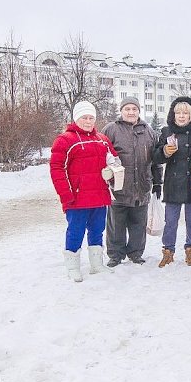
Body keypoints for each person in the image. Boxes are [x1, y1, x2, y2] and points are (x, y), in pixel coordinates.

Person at [50, 100, 117, 282]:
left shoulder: (102, 140)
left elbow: (114, 161)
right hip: (77, 197)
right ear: (76, 119)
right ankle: (73, 267)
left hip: (99, 195)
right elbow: (57, 168)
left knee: (97, 230)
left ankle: (96, 265)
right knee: (75, 231)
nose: (88, 121)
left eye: (91, 118)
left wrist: (111, 172)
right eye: (84, 118)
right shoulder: (65, 140)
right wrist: (66, 194)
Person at [101, 96, 163, 267]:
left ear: (139, 111)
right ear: (121, 111)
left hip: (142, 187)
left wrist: (158, 182)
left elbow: (155, 159)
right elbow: (101, 156)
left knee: (138, 224)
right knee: (116, 224)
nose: (131, 112)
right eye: (127, 109)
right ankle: (115, 254)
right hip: (118, 187)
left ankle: (136, 253)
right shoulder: (111, 130)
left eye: (134, 109)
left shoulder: (148, 131)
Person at [152, 97, 191, 267]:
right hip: (173, 183)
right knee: (171, 221)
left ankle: (190, 250)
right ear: (173, 115)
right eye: (178, 113)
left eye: (185, 113)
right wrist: (165, 151)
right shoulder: (166, 131)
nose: (181, 116)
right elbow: (156, 157)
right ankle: (168, 251)